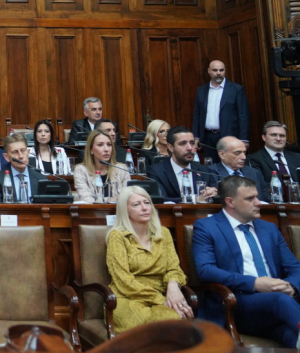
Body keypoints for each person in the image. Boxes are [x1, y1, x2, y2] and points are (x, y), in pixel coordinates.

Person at [193, 175, 300, 347]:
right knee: (280, 300)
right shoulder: (206, 227)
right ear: (230, 201)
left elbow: (294, 267)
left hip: (279, 303)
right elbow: (206, 270)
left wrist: (291, 286)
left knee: (291, 336)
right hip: (238, 304)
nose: (258, 202)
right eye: (250, 198)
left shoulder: (268, 228)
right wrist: (254, 283)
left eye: (257, 197)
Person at [106, 186, 192, 332]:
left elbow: (174, 268)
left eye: (147, 203)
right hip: (127, 298)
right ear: (124, 210)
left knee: (176, 319)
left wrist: (172, 286)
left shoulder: (163, 233)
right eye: (136, 204)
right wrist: (161, 299)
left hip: (161, 295)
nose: (144, 208)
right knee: (152, 329)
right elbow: (123, 281)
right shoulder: (117, 236)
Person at [192, 60, 250, 162]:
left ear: (225, 71)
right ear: (209, 71)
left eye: (221, 70)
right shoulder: (201, 90)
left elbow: (243, 115)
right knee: (210, 166)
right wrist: (196, 136)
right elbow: (197, 114)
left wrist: (243, 139)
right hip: (207, 137)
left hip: (229, 135)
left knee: (230, 164)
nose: (218, 73)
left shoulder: (236, 89)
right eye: (215, 70)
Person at [146, 126, 218, 202]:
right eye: (183, 143)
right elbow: (160, 199)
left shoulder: (205, 171)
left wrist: (213, 194)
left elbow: (215, 197)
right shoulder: (156, 171)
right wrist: (195, 199)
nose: (190, 148)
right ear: (170, 147)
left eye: (192, 143)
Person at [0, 133, 46, 203]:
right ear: (6, 157)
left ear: (28, 153)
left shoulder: (41, 179)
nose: (20, 156)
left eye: (23, 151)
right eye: (15, 152)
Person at [74, 130, 131, 203]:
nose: (106, 149)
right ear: (91, 149)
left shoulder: (122, 169)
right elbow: (87, 200)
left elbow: (126, 198)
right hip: (93, 213)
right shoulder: (81, 170)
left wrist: (102, 200)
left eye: (109, 144)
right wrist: (111, 200)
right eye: (100, 145)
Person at [213, 137, 270, 201]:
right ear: (222, 154)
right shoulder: (211, 173)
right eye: (237, 153)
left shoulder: (255, 173)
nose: (244, 157)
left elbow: (266, 199)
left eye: (244, 153)